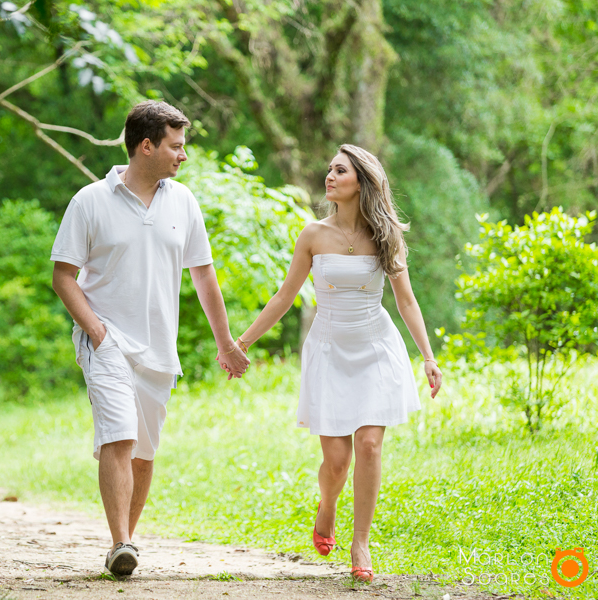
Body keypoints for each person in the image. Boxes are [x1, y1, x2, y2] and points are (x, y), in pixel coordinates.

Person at [50, 100, 250, 576]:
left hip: (159, 348)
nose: (184, 156)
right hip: (108, 342)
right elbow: (63, 275)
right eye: (176, 146)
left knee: (143, 452)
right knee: (119, 435)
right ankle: (120, 543)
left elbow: (204, 277)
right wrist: (96, 332)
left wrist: (225, 343)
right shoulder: (90, 201)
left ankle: (128, 540)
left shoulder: (183, 202)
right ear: (147, 146)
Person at [233, 144, 443, 583]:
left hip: (375, 347)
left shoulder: (385, 236)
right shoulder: (313, 234)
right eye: (329, 168)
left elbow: (406, 301)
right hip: (328, 351)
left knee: (368, 445)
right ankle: (326, 506)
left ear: (362, 182)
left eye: (340, 170)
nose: (329, 176)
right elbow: (285, 296)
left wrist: (427, 356)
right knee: (336, 461)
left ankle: (360, 541)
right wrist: (243, 342)